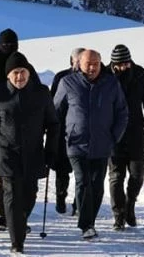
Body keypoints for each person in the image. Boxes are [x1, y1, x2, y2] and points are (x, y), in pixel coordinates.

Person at [0, 52, 59, 254]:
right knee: (12, 196)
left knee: (29, 195)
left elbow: (53, 124)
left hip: (33, 153)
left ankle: (20, 220)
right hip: (6, 153)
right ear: (8, 75)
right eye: (15, 73)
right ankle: (17, 241)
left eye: (23, 72)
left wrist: (51, 150)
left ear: (29, 72)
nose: (19, 77)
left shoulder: (41, 93)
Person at [53, 49, 128, 240]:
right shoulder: (68, 83)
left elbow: (122, 112)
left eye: (96, 63)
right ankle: (86, 225)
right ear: (79, 64)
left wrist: (114, 137)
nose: (92, 67)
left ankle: (90, 221)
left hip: (102, 144)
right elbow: (55, 112)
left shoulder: (111, 83)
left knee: (97, 185)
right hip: (76, 144)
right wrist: (56, 137)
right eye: (88, 63)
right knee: (83, 182)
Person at [0, 28, 40, 230]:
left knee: (22, 181)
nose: (9, 47)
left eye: (12, 44)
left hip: (22, 126)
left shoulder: (26, 67)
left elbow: (37, 93)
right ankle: (2, 215)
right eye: (5, 44)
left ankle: (19, 216)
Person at [107, 44, 144, 230]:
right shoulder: (105, 75)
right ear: (113, 63)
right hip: (113, 133)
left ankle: (130, 205)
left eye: (126, 64)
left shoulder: (139, 73)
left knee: (138, 174)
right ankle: (118, 215)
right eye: (119, 65)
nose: (123, 68)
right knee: (116, 176)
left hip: (136, 131)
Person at [50, 46, 84, 215]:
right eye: (77, 60)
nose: (79, 64)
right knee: (62, 168)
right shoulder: (61, 77)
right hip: (63, 129)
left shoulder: (92, 78)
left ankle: (79, 202)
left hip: (82, 133)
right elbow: (52, 103)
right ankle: (60, 197)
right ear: (72, 60)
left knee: (80, 170)